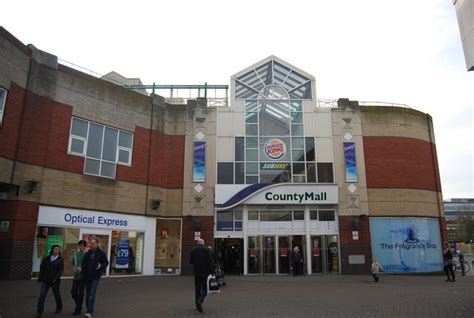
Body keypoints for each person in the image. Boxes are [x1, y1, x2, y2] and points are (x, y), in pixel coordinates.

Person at [81, 237, 109, 317]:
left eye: (93, 244)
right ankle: (89, 310)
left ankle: (89, 312)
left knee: (91, 294)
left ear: (97, 244)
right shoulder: (88, 253)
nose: (91, 245)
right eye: (91, 243)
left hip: (95, 277)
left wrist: (101, 265)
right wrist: (83, 271)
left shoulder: (101, 253)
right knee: (88, 294)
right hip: (87, 276)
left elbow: (106, 263)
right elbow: (84, 264)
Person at [35, 245, 64, 318]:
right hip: (46, 280)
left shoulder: (60, 260)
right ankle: (39, 312)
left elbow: (60, 271)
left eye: (58, 250)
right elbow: (42, 268)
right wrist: (40, 277)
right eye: (56, 249)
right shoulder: (47, 258)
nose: (57, 251)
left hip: (55, 281)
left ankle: (59, 307)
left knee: (56, 294)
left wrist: (55, 279)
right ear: (52, 250)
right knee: (42, 296)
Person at [189, 238, 215, 313]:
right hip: (205, 273)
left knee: (197, 288)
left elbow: (191, 262)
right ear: (203, 243)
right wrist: (212, 272)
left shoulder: (193, 251)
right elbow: (210, 262)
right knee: (205, 289)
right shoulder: (207, 250)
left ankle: (197, 304)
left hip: (197, 273)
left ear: (197, 243)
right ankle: (200, 300)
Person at [71, 240, 87, 315]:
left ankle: (78, 309)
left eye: (82, 246)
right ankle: (79, 305)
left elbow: (89, 265)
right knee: (73, 292)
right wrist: (75, 271)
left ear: (85, 246)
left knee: (81, 293)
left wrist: (83, 269)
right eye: (80, 245)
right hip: (76, 276)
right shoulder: (75, 254)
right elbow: (73, 264)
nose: (81, 247)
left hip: (83, 277)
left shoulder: (87, 255)